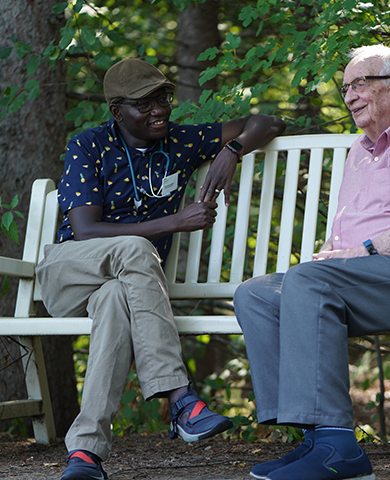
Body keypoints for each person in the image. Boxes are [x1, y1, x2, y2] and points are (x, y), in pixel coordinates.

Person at [233, 45, 390, 480]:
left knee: (307, 282)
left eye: (360, 84)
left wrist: (361, 252)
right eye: (345, 87)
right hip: (376, 277)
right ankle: (313, 438)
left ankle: (339, 449)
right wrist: (336, 259)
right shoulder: (360, 150)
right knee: (255, 295)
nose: (348, 96)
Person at [35, 58, 286, 480]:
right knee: (134, 247)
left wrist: (232, 149)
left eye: (163, 98)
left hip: (124, 285)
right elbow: (85, 230)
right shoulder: (89, 145)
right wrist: (174, 222)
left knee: (116, 300)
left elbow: (268, 121)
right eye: (144, 104)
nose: (159, 110)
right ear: (117, 112)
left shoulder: (180, 142)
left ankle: (85, 454)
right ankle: (180, 396)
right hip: (70, 271)